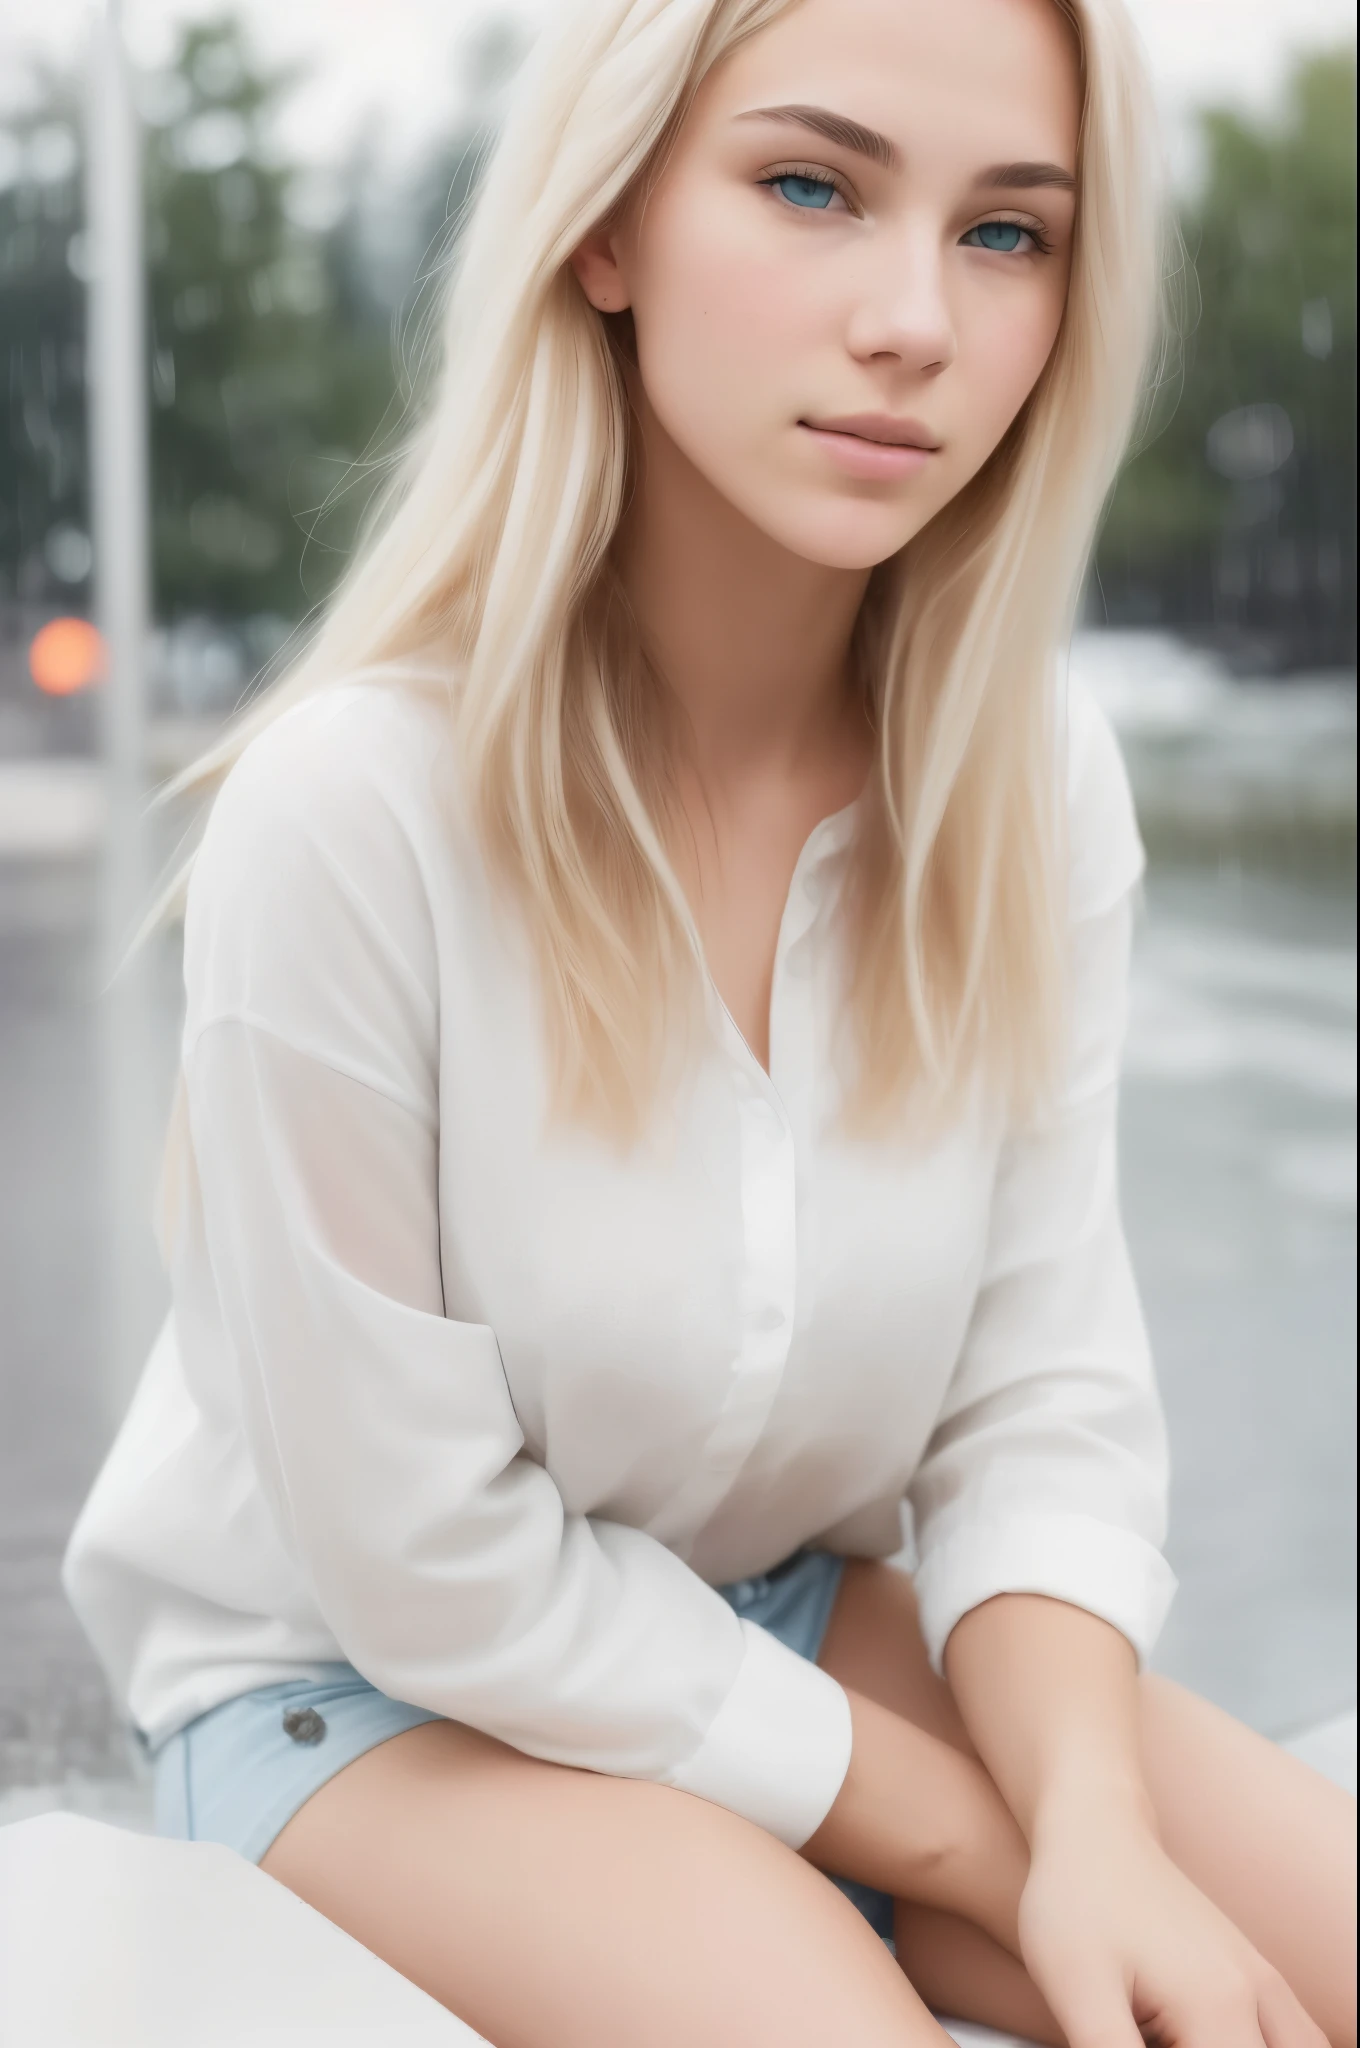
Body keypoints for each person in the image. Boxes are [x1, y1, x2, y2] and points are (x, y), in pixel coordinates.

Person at [64, 0, 1355, 2041]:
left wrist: (1092, 1825)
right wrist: (967, 1841)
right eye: (808, 188)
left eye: (1007, 231)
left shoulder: (1030, 783)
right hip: (369, 1682)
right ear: (605, 229)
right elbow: (423, 1560)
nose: (914, 319)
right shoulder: (350, 812)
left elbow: (1038, 1409)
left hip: (791, 1612)